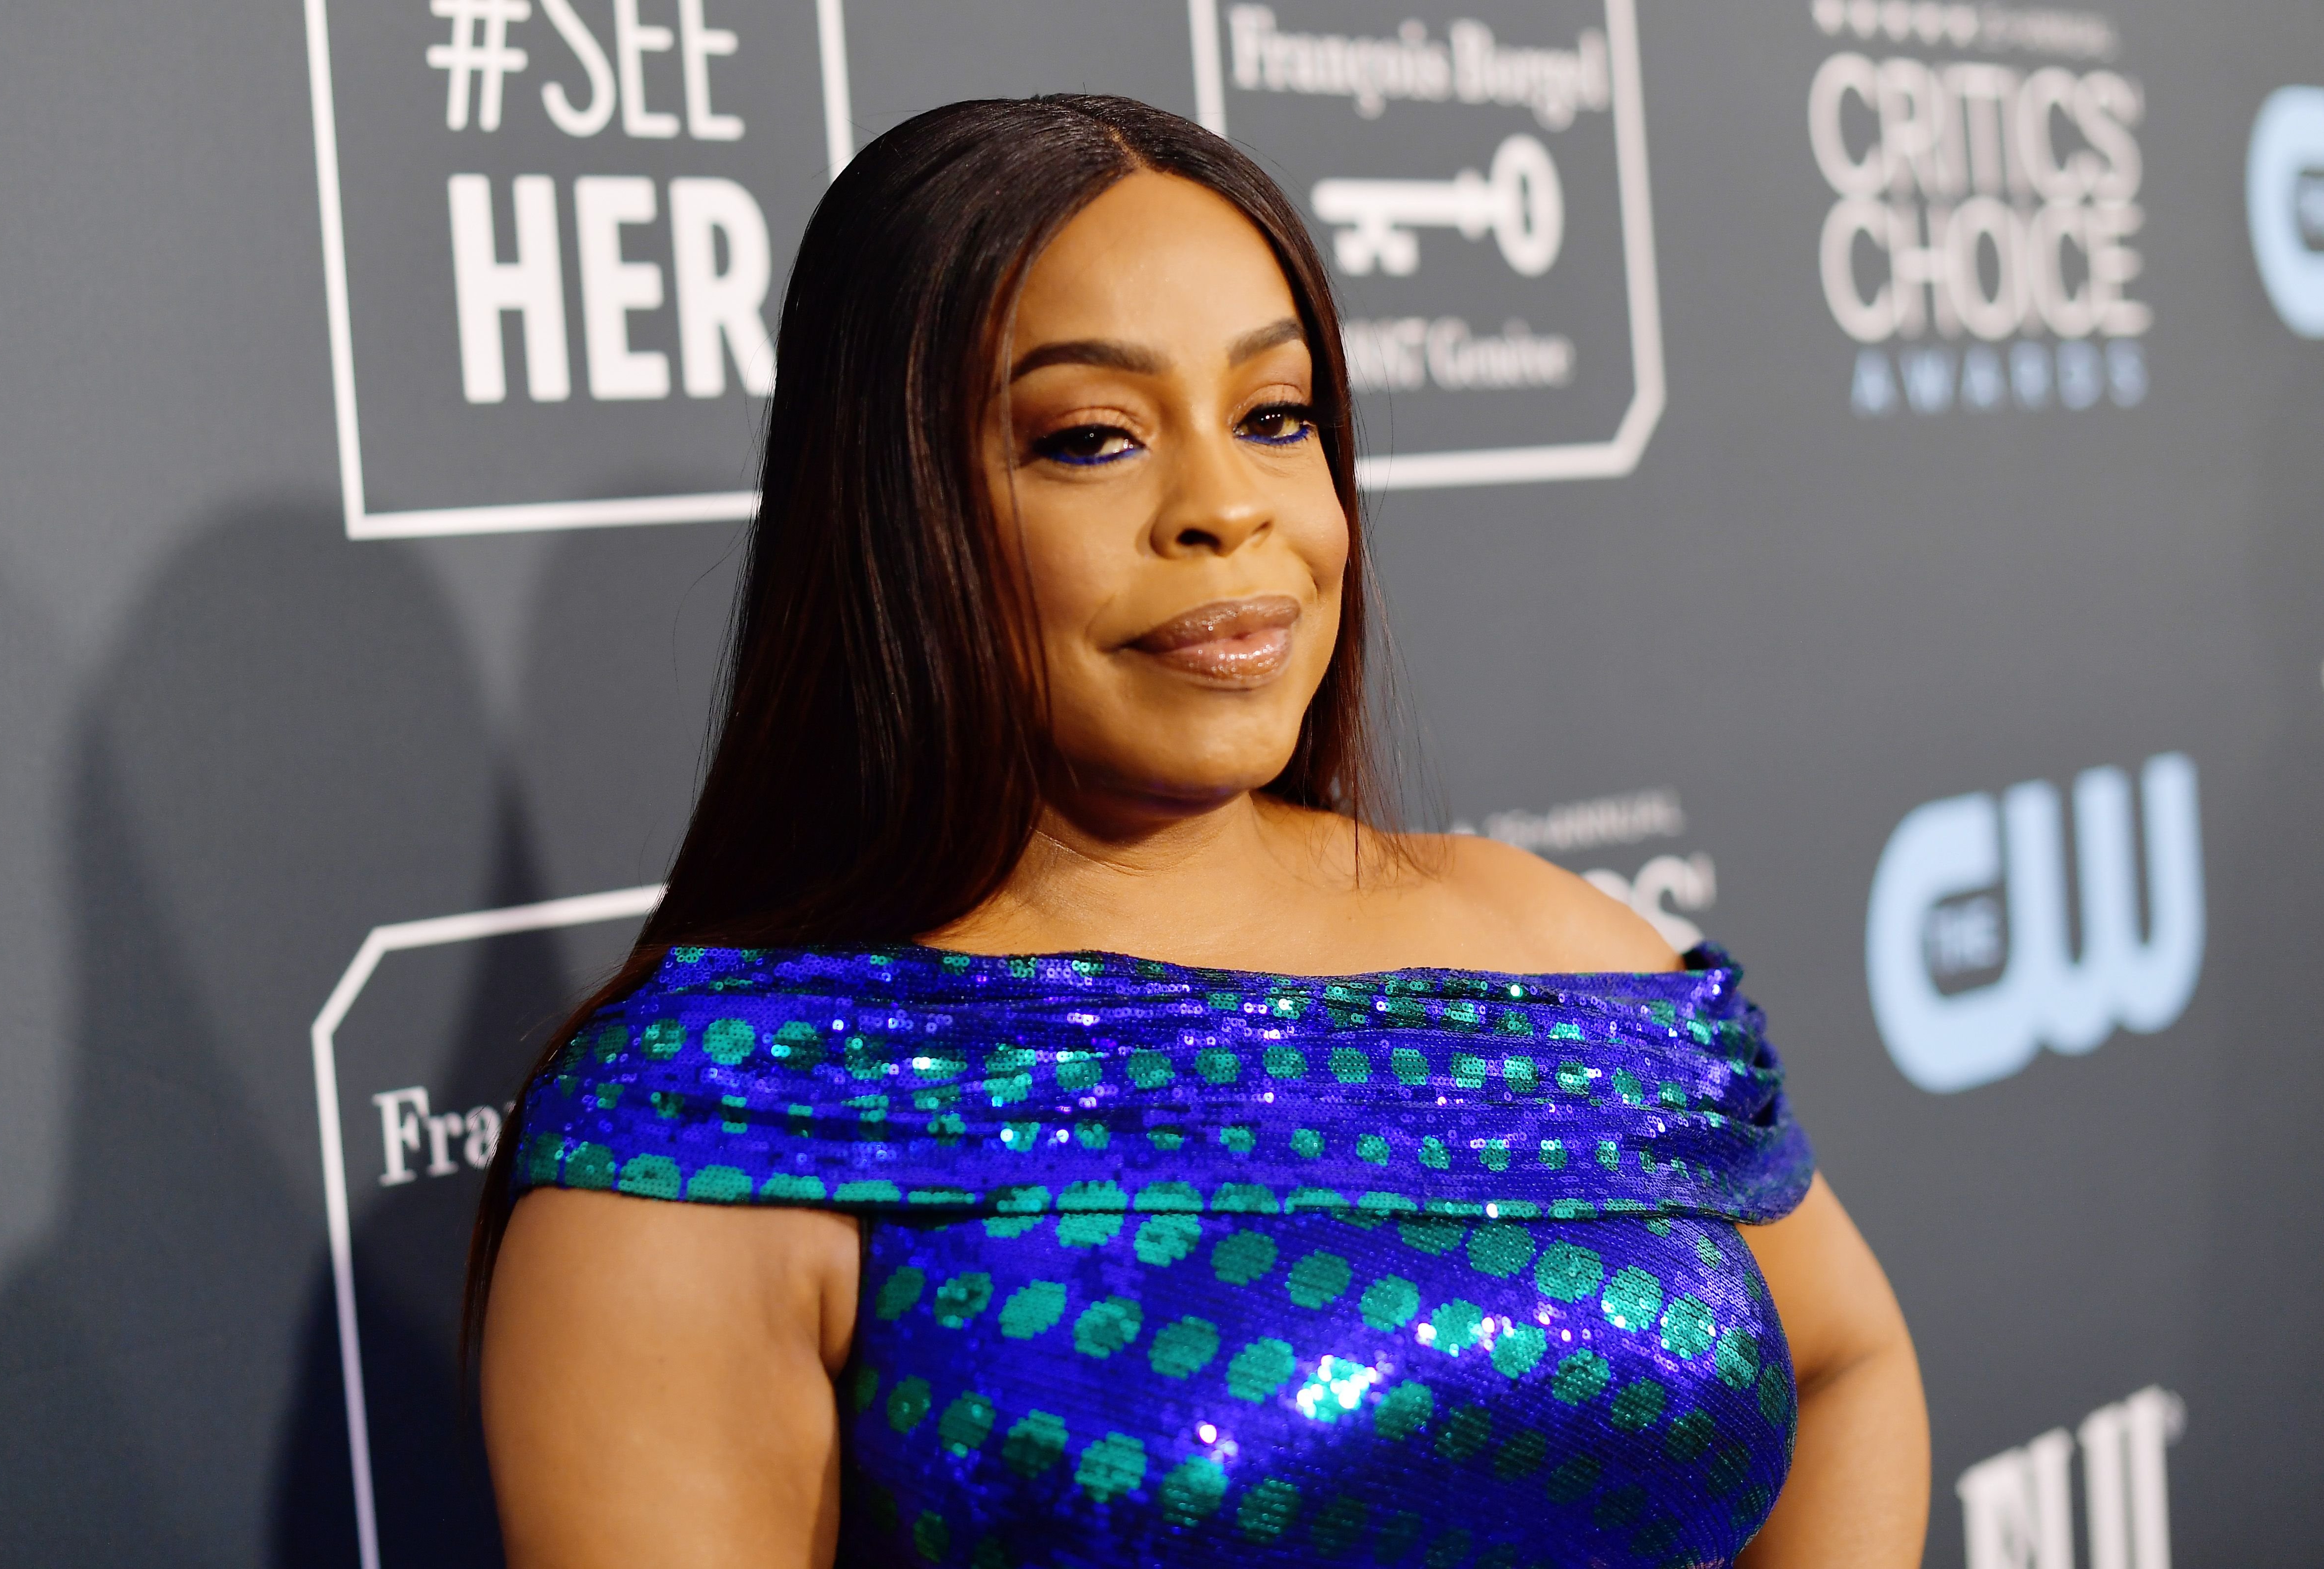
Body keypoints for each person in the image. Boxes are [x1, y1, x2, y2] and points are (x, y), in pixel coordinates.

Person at [470, 95, 1929, 1569]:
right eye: (1093, 438)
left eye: (1276, 417)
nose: (1226, 508)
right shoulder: (716, 1125)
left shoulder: (1559, 949)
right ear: (895, 515)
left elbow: (1844, 1360)